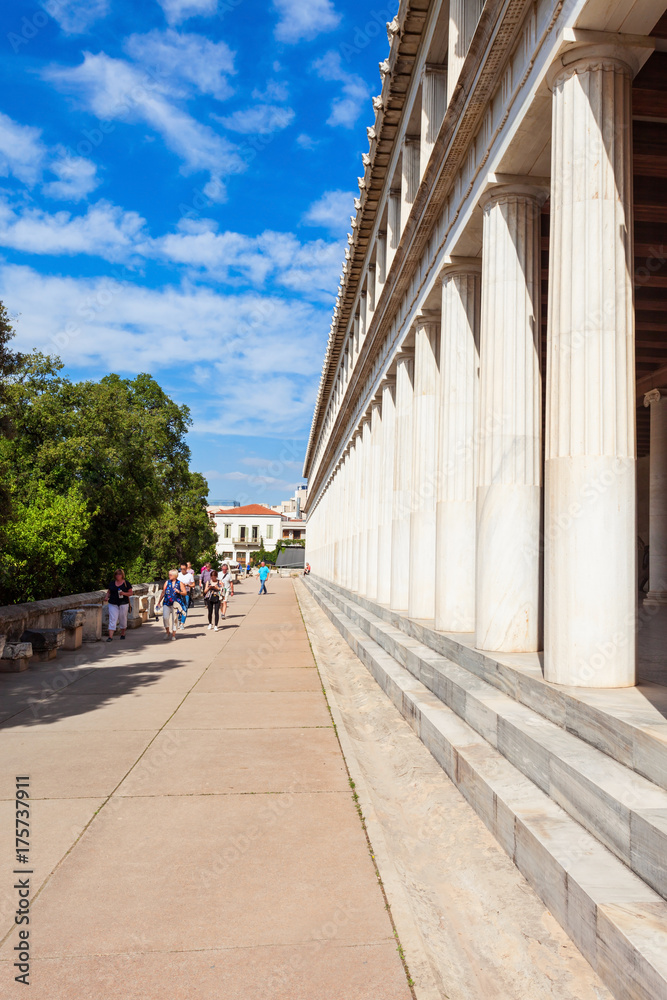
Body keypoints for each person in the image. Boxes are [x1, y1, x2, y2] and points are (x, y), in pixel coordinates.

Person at [156, 570, 187, 641]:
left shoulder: (180, 583)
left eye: (170, 575)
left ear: (175, 575)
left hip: (175, 604)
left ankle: (173, 634)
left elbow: (185, 593)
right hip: (166, 602)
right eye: (169, 574)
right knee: (165, 617)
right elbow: (163, 592)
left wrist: (179, 592)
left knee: (174, 619)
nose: (169, 576)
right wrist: (159, 602)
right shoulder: (167, 582)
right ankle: (167, 631)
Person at [104, 569, 133, 641]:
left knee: (122, 618)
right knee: (112, 618)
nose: (118, 576)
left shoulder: (126, 583)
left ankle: (123, 633)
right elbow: (109, 591)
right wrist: (106, 596)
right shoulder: (112, 583)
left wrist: (124, 593)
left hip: (123, 602)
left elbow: (130, 593)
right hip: (113, 603)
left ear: (122, 575)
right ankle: (110, 636)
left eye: (119, 574)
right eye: (116, 574)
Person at [177, 563, 194, 629]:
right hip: (179, 593)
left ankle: (182, 623)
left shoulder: (190, 575)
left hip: (186, 593)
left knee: (185, 608)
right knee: (179, 608)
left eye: (184, 569)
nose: (182, 570)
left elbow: (193, 585)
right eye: (181, 569)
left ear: (186, 568)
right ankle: (179, 619)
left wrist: (187, 585)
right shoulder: (178, 575)